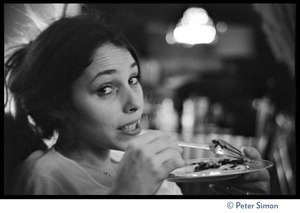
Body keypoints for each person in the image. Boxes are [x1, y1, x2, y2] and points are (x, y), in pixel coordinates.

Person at [4, 11, 270, 195]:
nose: (134, 103)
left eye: (133, 79)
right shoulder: (45, 179)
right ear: (57, 105)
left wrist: (248, 202)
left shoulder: (141, 166)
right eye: (105, 88)